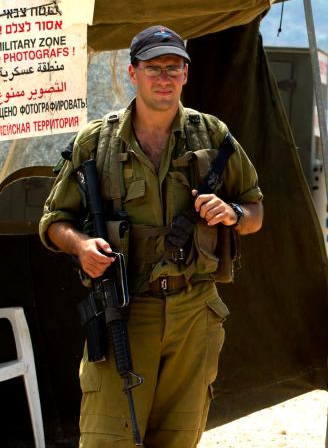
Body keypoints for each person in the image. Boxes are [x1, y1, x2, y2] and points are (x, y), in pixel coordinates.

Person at [38, 25, 264, 447]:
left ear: (185, 75)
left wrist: (232, 213)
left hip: (194, 313)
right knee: (108, 439)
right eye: (154, 67)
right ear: (132, 73)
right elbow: (54, 220)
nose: (164, 77)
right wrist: (81, 245)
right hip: (124, 310)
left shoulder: (212, 135)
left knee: (177, 439)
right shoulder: (97, 142)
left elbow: (255, 211)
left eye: (174, 68)